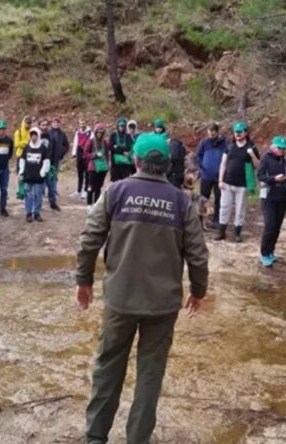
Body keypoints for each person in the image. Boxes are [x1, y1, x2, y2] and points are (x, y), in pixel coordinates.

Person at [75, 133, 209, 444]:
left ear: (136, 160)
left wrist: (84, 281)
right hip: (162, 306)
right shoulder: (181, 201)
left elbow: (89, 240)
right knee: (150, 375)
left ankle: (95, 438)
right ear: (167, 164)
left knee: (108, 367)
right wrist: (198, 291)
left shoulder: (116, 192)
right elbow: (198, 255)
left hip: (120, 301)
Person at [217, 122, 259, 242]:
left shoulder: (251, 147)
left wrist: (252, 155)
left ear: (246, 133)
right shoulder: (230, 146)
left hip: (243, 184)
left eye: (240, 132)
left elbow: (258, 166)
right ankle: (221, 232)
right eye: (236, 132)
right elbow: (223, 164)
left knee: (240, 209)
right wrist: (220, 180)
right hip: (227, 182)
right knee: (224, 207)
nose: (238, 134)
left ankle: (237, 233)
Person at [259, 136, 286, 268]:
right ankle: (264, 253)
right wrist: (274, 179)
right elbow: (260, 176)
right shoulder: (266, 159)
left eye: (283, 148)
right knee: (270, 226)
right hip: (268, 196)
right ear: (272, 147)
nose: (282, 150)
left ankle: (270, 252)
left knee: (277, 227)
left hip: (282, 197)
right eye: (279, 148)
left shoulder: (285, 162)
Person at [196, 123, 226, 230]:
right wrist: (201, 166)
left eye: (213, 134)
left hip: (219, 177)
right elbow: (198, 156)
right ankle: (200, 221)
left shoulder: (224, 143)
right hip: (206, 176)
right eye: (209, 134)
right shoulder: (204, 143)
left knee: (219, 199)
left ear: (217, 132)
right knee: (203, 199)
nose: (211, 136)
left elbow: (227, 157)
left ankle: (217, 220)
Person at [19, 127, 51, 223]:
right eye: (32, 135)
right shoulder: (27, 147)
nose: (33, 137)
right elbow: (22, 160)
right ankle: (28, 213)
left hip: (38, 177)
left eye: (35, 135)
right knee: (28, 195)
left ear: (38, 136)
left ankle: (36, 213)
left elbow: (47, 161)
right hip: (28, 175)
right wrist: (21, 172)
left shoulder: (43, 148)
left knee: (38, 195)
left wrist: (43, 172)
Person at [44, 117, 70, 211]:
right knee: (43, 179)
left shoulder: (62, 134)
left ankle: (52, 201)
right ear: (51, 124)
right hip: (46, 160)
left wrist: (61, 153)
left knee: (53, 180)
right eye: (54, 122)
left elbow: (66, 146)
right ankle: (42, 196)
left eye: (57, 122)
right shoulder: (48, 133)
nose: (56, 124)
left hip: (56, 161)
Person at [84, 124, 110, 210]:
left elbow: (107, 154)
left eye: (102, 133)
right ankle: (89, 204)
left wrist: (107, 163)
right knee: (91, 186)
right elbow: (85, 153)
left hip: (102, 168)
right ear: (95, 132)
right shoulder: (91, 141)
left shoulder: (105, 142)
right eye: (98, 132)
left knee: (99, 187)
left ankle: (96, 203)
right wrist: (94, 155)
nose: (100, 134)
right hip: (93, 168)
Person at [108, 118, 134, 182]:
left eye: (123, 126)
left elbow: (129, 147)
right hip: (115, 163)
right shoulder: (113, 135)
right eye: (120, 126)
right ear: (117, 126)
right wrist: (122, 151)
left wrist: (117, 147)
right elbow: (110, 147)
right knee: (115, 181)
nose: (121, 127)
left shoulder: (128, 136)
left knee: (125, 181)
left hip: (125, 163)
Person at [72, 121, 91, 199]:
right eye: (80, 123)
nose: (82, 125)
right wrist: (74, 153)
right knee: (80, 173)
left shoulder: (90, 133)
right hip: (79, 152)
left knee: (86, 173)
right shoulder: (78, 132)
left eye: (83, 123)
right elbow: (75, 143)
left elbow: (91, 143)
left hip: (86, 152)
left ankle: (85, 190)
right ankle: (79, 190)